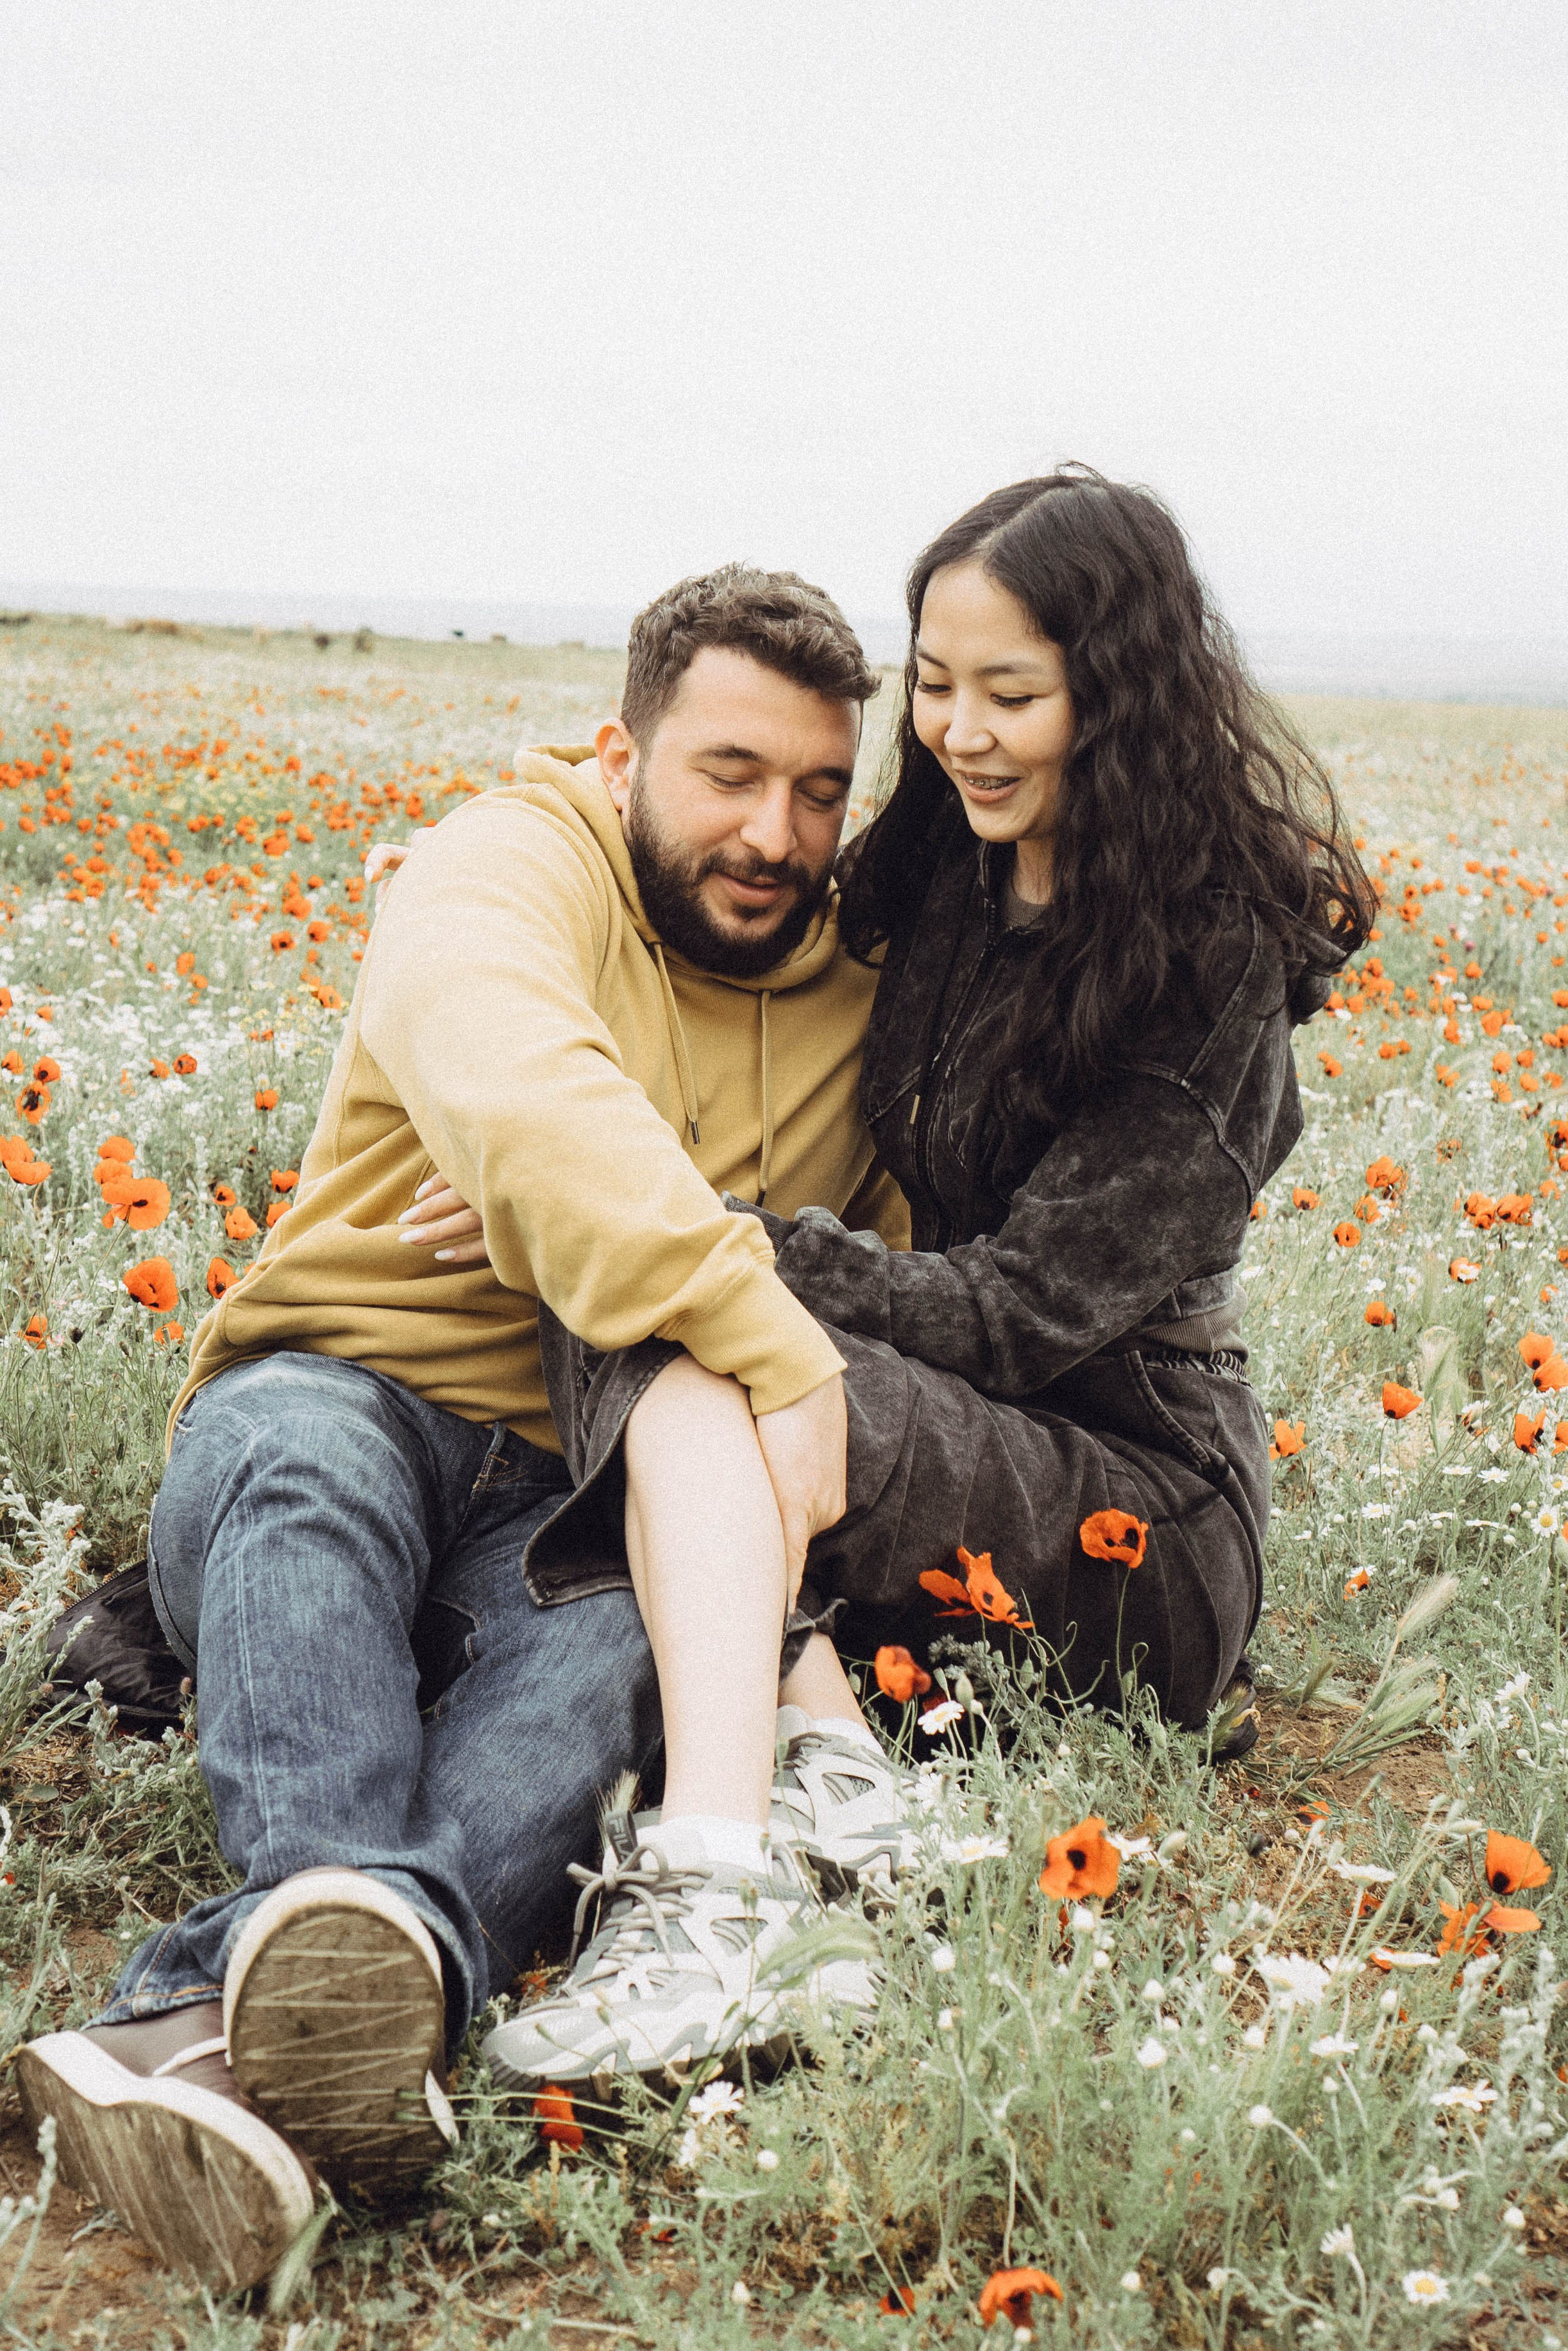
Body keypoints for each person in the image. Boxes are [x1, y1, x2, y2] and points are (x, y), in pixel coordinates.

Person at [17, 565, 909, 2290]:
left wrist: (595, 1210)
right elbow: (507, 1065)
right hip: (345, 1379)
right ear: (621, 750)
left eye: (817, 791)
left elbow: (902, 1258)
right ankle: (335, 1986)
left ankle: (230, 2033)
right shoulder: (510, 858)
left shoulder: (856, 996)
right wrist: (765, 1333)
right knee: (304, 1486)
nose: (775, 833)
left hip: (586, 1483)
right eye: (728, 772)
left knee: (616, 1670)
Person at [478, 467, 1374, 2095]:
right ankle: (826, 1762)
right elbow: (714, 868)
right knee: (644, 1263)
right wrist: (518, 885)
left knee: (667, 1276)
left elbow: (1019, 1316)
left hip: (1138, 1510)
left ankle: (712, 1895)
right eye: (937, 683)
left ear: (1120, 695)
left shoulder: (1207, 962)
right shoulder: (948, 866)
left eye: (1009, 694)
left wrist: (712, 1230)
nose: (957, 731)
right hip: (956, 1428)